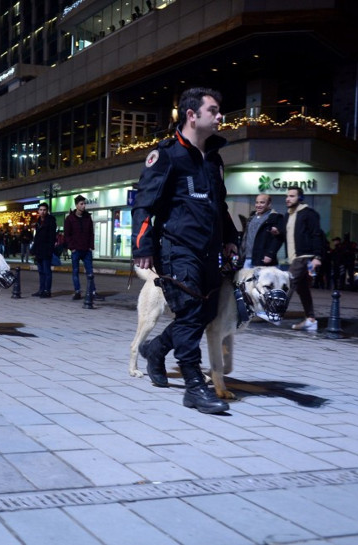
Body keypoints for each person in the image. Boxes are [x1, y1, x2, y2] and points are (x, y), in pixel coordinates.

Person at [132, 87, 238, 414]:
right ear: (192, 115)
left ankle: (155, 350)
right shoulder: (166, 155)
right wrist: (143, 246)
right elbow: (144, 204)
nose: (220, 116)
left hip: (208, 253)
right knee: (191, 311)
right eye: (214, 110)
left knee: (204, 313)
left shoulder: (214, 159)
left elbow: (218, 206)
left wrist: (230, 237)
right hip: (177, 250)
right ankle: (194, 386)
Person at [277, 186, 325, 331]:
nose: (288, 198)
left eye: (292, 196)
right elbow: (286, 235)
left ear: (300, 198)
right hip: (294, 257)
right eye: (287, 196)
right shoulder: (288, 215)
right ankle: (311, 319)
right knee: (302, 289)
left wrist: (317, 256)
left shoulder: (309, 214)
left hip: (305, 257)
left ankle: (275, 312)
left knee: (288, 281)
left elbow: (317, 235)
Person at [64, 194, 103, 300]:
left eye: (84, 204)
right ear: (76, 205)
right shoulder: (70, 219)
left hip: (86, 250)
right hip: (76, 250)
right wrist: (72, 248)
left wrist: (91, 246)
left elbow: (91, 233)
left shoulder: (87, 217)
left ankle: (92, 292)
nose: (84, 206)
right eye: (81, 204)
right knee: (75, 271)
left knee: (90, 272)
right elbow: (67, 235)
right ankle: (77, 292)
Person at [240, 194, 283, 269]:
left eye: (262, 202)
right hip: (247, 259)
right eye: (257, 202)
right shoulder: (251, 217)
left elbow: (278, 239)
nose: (258, 205)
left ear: (269, 204)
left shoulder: (275, 217)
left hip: (263, 260)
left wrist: (270, 254)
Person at [31, 202, 57, 298]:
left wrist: (50, 249)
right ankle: (41, 290)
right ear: (38, 211)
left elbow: (52, 237)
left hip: (46, 250)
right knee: (41, 272)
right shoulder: (38, 221)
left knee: (47, 271)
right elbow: (36, 237)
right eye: (41, 210)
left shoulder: (51, 221)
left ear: (47, 211)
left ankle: (47, 290)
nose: (42, 212)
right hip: (39, 250)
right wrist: (33, 250)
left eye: (44, 210)